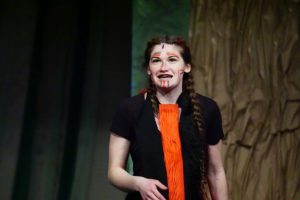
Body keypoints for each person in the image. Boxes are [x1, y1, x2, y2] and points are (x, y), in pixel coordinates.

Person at [108, 35, 228, 200]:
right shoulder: (129, 109)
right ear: (149, 69)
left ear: (186, 67)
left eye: (172, 59)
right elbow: (114, 171)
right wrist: (138, 183)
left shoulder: (207, 108)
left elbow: (215, 172)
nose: (163, 67)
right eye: (156, 61)